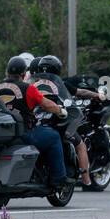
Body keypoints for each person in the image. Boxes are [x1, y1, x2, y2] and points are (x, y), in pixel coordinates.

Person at [0, 55, 68, 188]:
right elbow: (46, 104)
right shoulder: (28, 88)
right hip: (23, 133)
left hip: (0, 133)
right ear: (23, 73)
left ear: (7, 71)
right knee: (54, 137)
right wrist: (59, 110)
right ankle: (59, 179)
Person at [31, 54, 92, 188]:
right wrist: (97, 95)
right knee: (80, 144)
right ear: (57, 70)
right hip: (54, 120)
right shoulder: (60, 84)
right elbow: (79, 92)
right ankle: (86, 179)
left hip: (36, 122)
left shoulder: (32, 84)